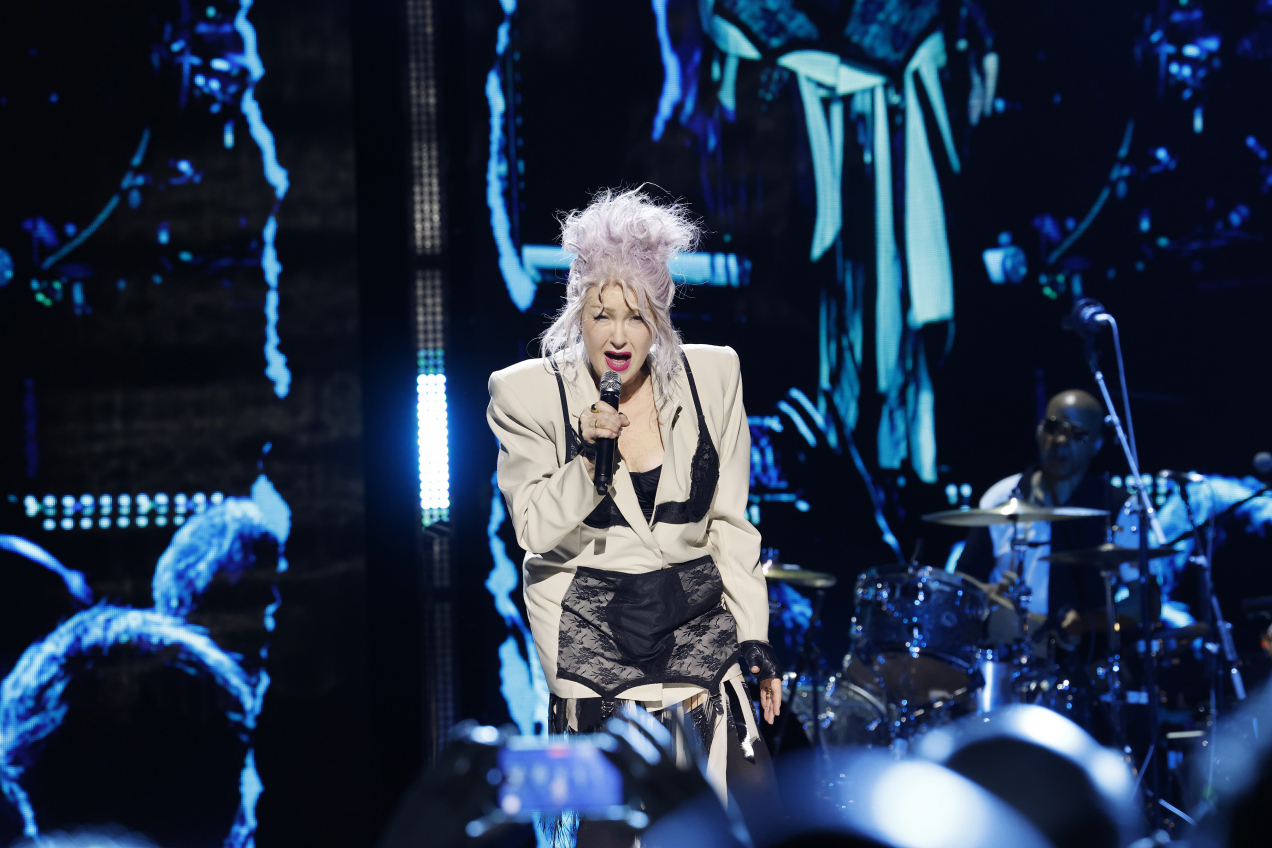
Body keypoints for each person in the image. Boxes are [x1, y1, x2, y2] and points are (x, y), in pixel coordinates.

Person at [486, 188, 781, 833]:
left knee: (747, 818)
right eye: (602, 315)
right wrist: (588, 460)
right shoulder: (527, 394)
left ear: (660, 318)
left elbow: (732, 524)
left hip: (698, 627)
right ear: (578, 314)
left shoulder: (713, 378)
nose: (619, 335)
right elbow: (532, 527)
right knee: (615, 833)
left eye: (637, 315)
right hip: (593, 636)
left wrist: (753, 635)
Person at [957, 389, 1114, 633]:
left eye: (1077, 433)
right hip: (1007, 643)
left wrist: (1088, 623)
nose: (1060, 440)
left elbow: (1146, 602)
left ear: (1097, 444)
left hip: (1084, 650)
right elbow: (965, 579)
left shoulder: (1115, 505)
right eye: (1053, 427)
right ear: (1039, 432)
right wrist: (988, 593)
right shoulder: (1001, 497)